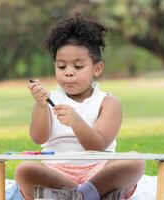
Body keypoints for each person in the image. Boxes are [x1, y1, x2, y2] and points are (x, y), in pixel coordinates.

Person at [15, 14, 145, 200]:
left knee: (134, 161)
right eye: (61, 67)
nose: (68, 72)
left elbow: (98, 145)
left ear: (97, 69)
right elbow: (38, 138)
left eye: (78, 66)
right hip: (56, 171)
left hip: (100, 172)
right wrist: (41, 106)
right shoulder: (48, 99)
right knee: (25, 169)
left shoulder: (108, 103)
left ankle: (74, 196)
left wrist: (76, 122)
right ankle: (87, 196)